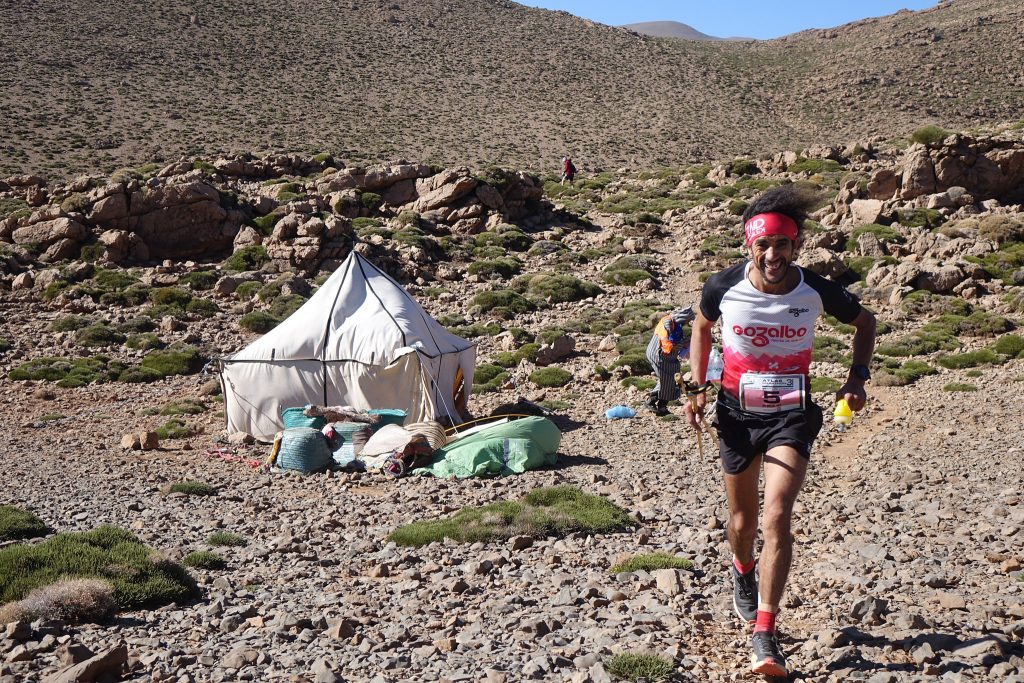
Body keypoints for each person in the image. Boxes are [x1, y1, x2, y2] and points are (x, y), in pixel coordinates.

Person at [683, 186, 876, 678]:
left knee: (777, 517)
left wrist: (856, 379)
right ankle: (742, 569)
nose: (773, 255)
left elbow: (866, 322)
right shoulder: (722, 286)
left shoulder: (815, 290)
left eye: (782, 245)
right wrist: (698, 386)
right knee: (742, 523)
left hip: (791, 414)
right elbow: (701, 328)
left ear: (797, 245)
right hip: (736, 414)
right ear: (749, 246)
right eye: (763, 245)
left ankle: (765, 633)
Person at [644, 308, 694, 416]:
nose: (687, 323)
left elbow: (676, 342)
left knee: (674, 378)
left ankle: (662, 407)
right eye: (687, 320)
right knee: (667, 379)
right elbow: (668, 342)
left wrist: (684, 343)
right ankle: (651, 400)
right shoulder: (668, 322)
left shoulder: (677, 326)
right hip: (658, 355)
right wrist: (681, 344)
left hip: (669, 359)